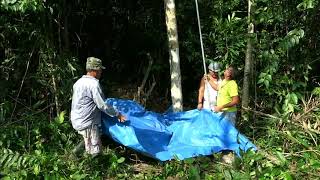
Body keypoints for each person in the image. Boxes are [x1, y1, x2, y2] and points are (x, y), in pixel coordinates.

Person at [70, 57, 126, 157]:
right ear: (94, 70)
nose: (101, 73)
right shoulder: (93, 84)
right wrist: (118, 114)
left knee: (87, 138)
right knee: (95, 151)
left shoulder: (78, 82)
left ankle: (73, 156)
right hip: (88, 122)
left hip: (77, 118)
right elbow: (102, 105)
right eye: (100, 70)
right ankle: (88, 165)